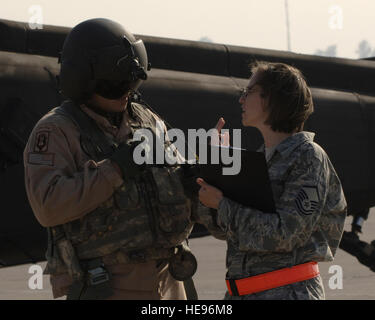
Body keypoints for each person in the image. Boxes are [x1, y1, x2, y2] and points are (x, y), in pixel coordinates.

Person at [23, 18, 208, 300]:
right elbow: (48, 206)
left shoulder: (147, 120)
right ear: (84, 80)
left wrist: (202, 178)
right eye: (114, 86)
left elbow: (184, 183)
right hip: (108, 285)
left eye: (130, 85)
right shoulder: (57, 130)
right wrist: (115, 169)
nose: (125, 94)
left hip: (170, 280)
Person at [196, 61, 347, 300]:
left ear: (272, 99)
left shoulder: (308, 157)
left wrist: (223, 204)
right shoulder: (261, 160)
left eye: (249, 92)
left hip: (288, 293)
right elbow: (226, 230)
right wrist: (215, 170)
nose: (241, 99)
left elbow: (286, 234)